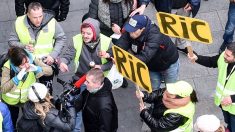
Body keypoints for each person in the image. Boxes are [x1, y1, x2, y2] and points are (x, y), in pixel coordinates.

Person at [58, 17, 115, 132]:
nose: (84, 36)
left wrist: (102, 67)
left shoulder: (107, 42)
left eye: (88, 33)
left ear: (95, 32)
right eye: (83, 32)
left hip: (99, 82)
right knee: (77, 107)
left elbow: (112, 63)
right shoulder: (76, 40)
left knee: (98, 108)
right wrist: (63, 62)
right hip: (81, 79)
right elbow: (68, 54)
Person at [102, 14, 179, 90]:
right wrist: (109, 54)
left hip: (168, 63)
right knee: (153, 88)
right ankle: (155, 102)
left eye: (133, 31)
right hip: (151, 66)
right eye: (129, 30)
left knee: (171, 90)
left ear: (142, 29)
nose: (130, 33)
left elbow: (144, 57)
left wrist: (122, 61)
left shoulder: (155, 35)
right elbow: (121, 44)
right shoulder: (130, 29)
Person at [9, 2, 66, 93]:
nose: (38, 20)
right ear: (28, 15)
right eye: (35, 17)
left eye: (40, 16)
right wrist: (24, 46)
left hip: (46, 62)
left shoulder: (51, 21)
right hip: (27, 63)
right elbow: (11, 41)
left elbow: (61, 38)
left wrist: (53, 55)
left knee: (45, 92)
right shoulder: (18, 22)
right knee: (29, 91)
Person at [0, 47, 53, 130]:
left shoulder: (33, 59)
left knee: (30, 124)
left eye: (27, 61)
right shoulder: (7, 67)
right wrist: (16, 78)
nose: (27, 65)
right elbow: (3, 89)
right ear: (15, 65)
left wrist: (37, 69)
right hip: (11, 102)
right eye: (22, 64)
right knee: (11, 123)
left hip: (27, 100)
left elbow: (50, 71)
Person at [188, 42, 235, 132]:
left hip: (233, 107)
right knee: (228, 122)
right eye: (225, 52)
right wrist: (197, 58)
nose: (224, 55)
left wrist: (232, 98)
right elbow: (211, 61)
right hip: (224, 104)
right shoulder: (223, 57)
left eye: (228, 55)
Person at [74, 68, 118, 132]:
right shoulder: (92, 89)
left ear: (97, 83)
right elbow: (82, 100)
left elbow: (105, 129)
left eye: (88, 82)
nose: (85, 83)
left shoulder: (104, 107)